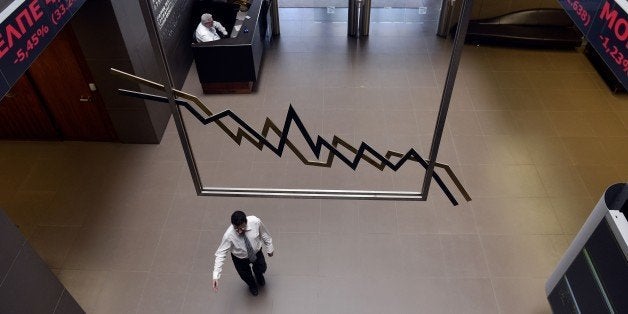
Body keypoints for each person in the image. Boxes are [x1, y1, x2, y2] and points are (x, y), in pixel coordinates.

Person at [212, 210, 274, 296]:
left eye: (242, 228)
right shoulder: (228, 235)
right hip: (240, 259)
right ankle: (252, 286)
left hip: (256, 253)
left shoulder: (255, 221)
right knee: (245, 276)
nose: (239, 231)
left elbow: (264, 233)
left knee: (262, 268)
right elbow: (220, 254)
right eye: (236, 229)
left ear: (246, 222)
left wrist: (269, 247)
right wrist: (216, 276)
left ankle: (259, 275)